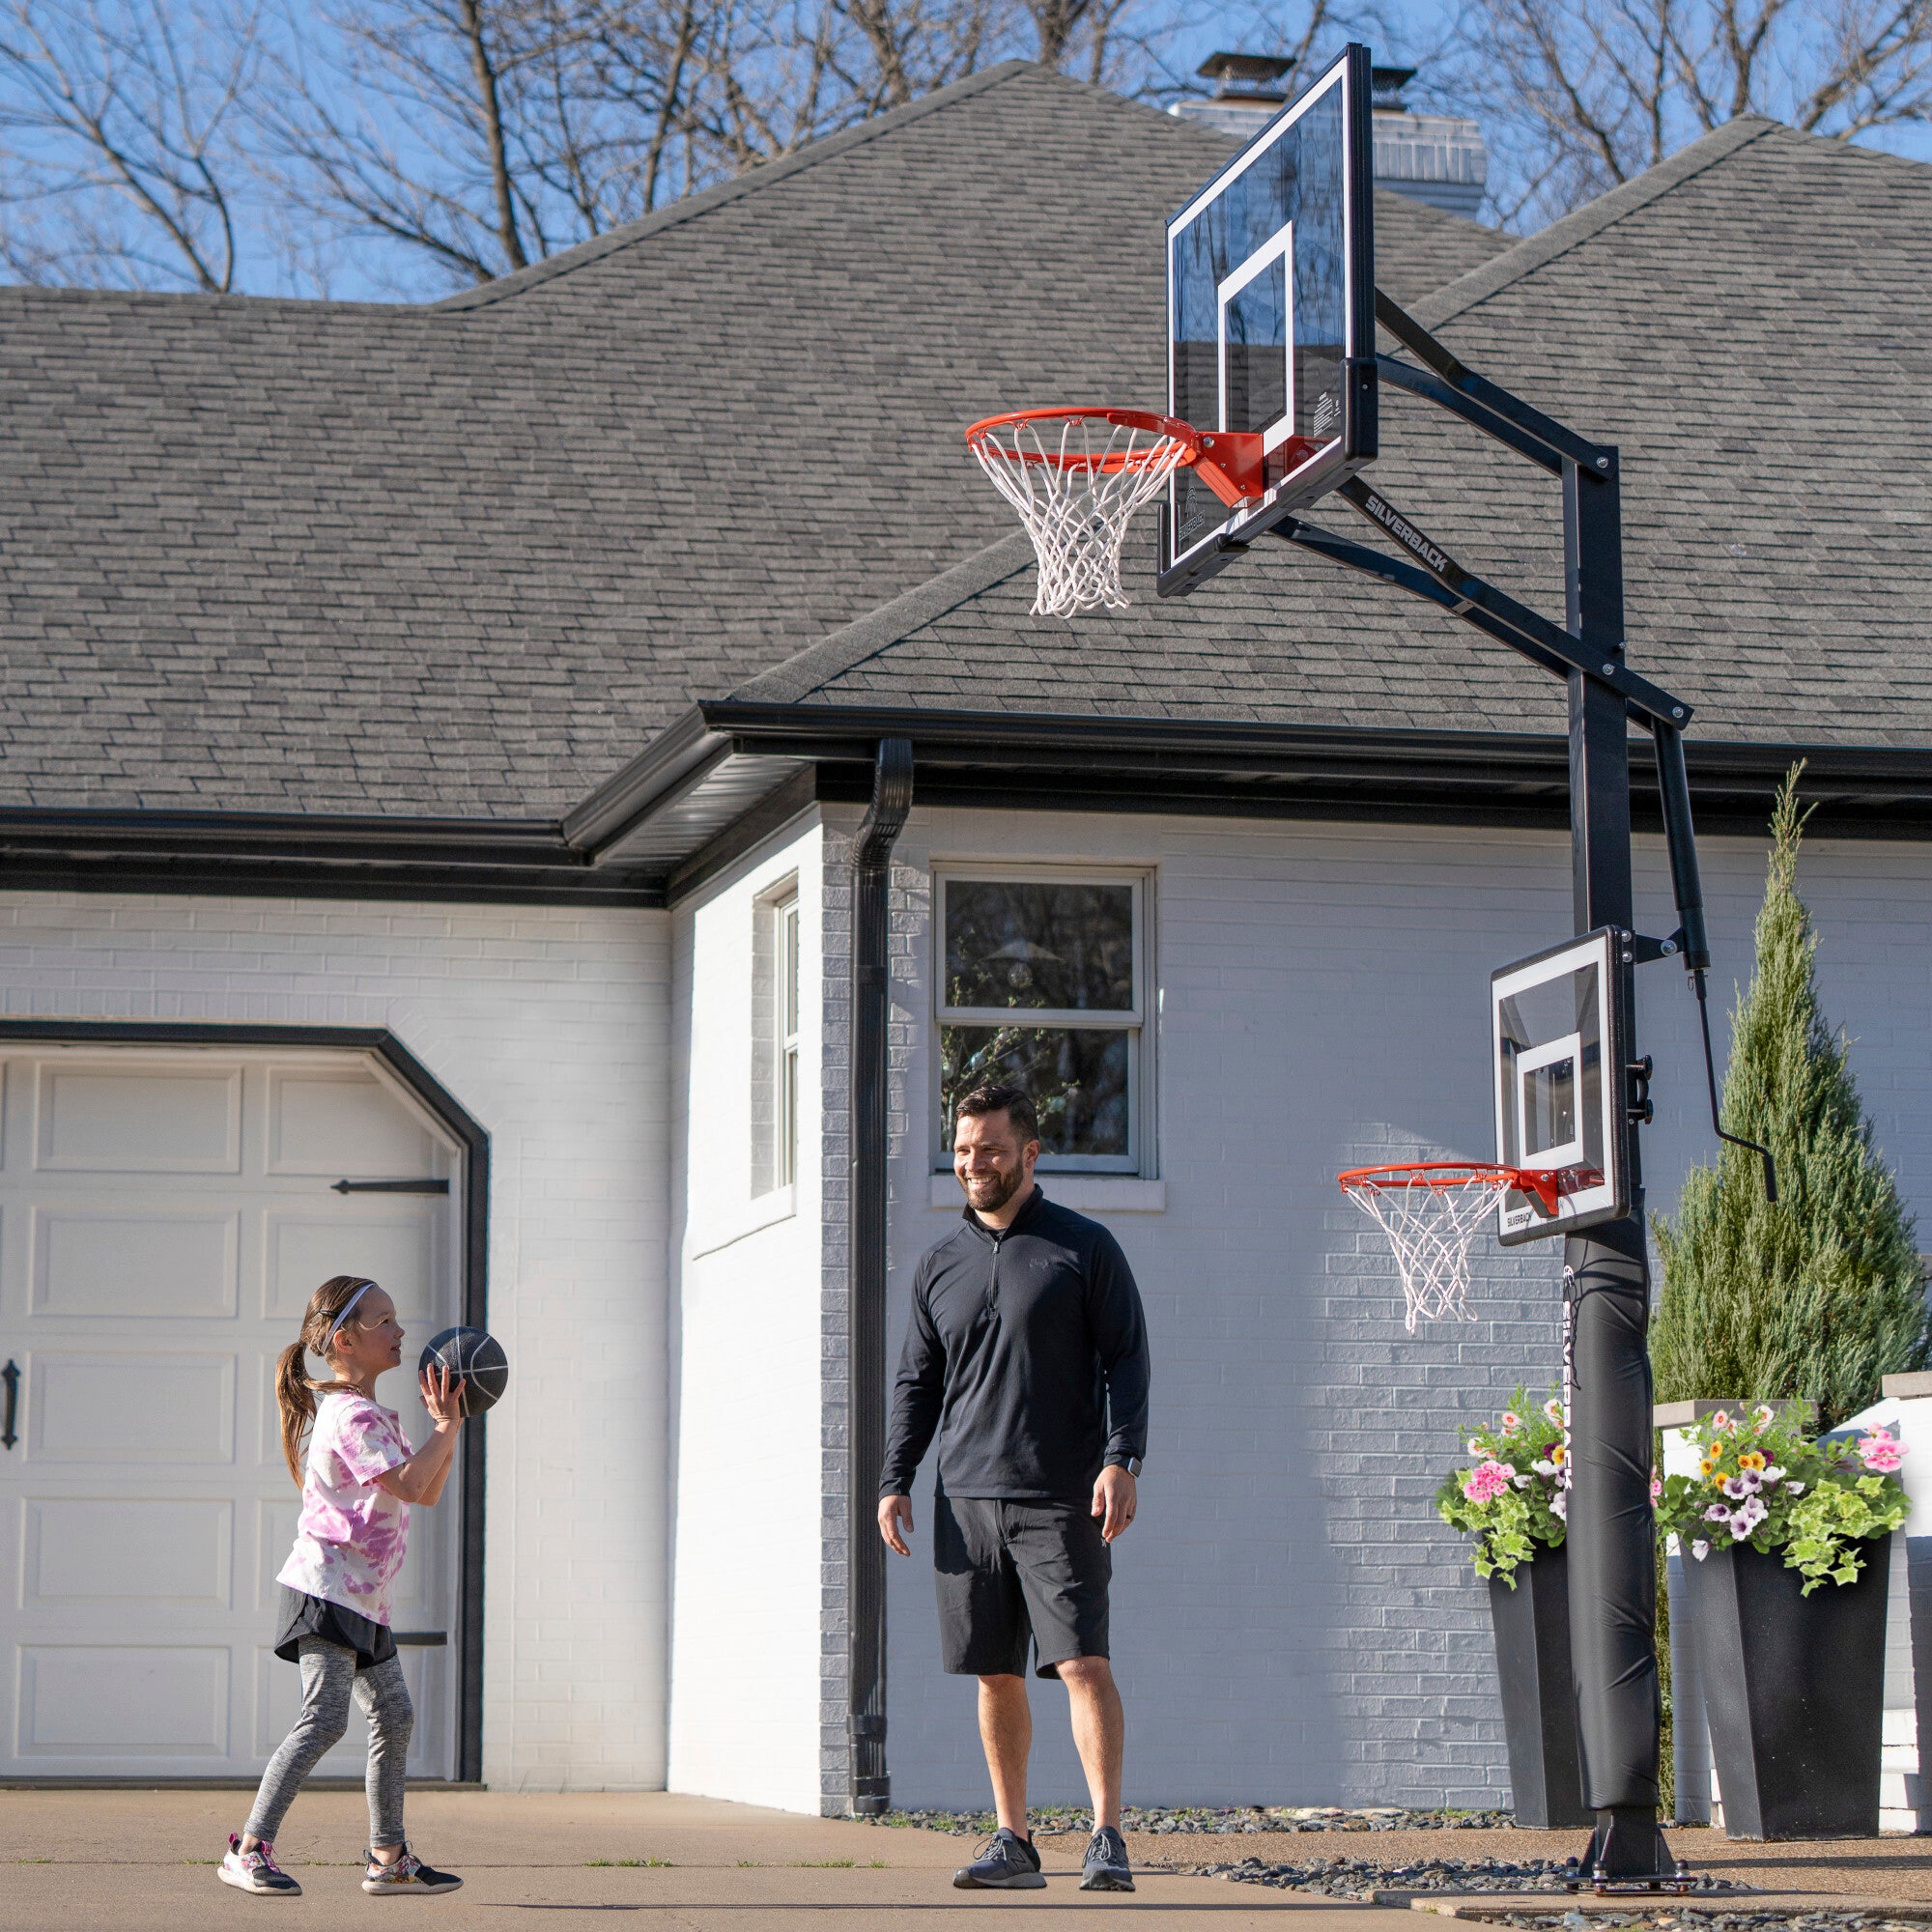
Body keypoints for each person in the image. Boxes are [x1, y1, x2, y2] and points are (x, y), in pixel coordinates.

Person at [878, 1083, 1151, 1894]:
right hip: (964, 1499)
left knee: (1082, 1664)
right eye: (963, 1150)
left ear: (1029, 1154)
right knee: (994, 1673)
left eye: (989, 1149)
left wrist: (1121, 1458)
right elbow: (916, 1386)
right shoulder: (939, 1263)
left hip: (1060, 1495)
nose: (973, 1164)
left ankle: (1106, 1837)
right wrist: (895, 1480)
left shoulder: (1082, 1247)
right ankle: (1014, 1841)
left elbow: (1128, 1358)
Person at [219, 1274, 466, 1898]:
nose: (400, 1331)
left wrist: (449, 1427)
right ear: (343, 1339)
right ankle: (248, 1851)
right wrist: (443, 1429)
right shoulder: (351, 1413)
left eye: (395, 1319)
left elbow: (425, 1492)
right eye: (384, 1320)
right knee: (325, 1719)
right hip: (324, 1590)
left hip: (363, 1599)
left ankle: (389, 1858)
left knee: (394, 1716)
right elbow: (413, 1486)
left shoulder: (375, 1416)